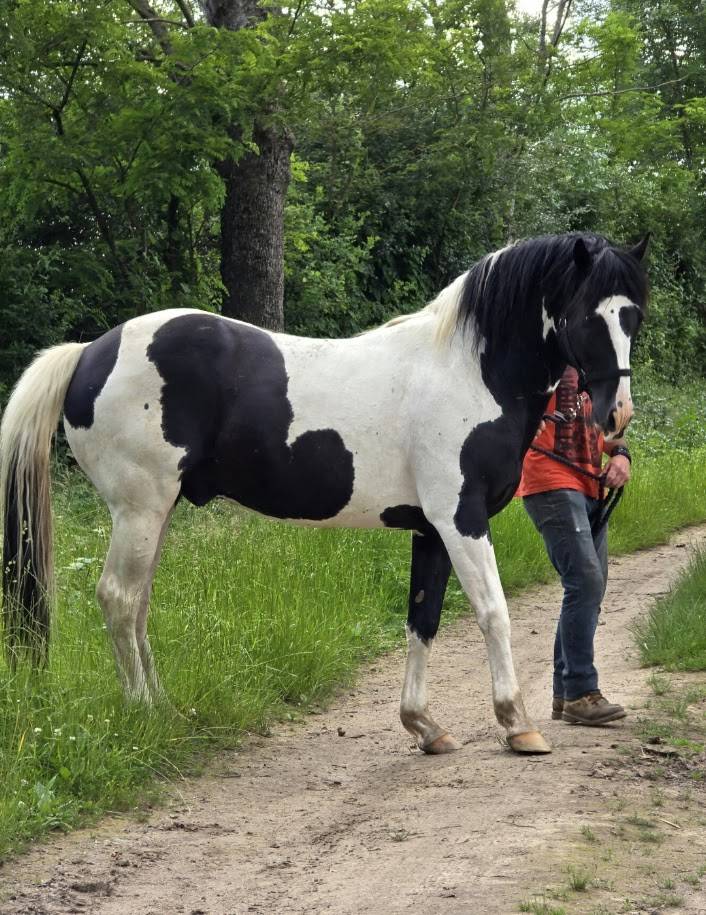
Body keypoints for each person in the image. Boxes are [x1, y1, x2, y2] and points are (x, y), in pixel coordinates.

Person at [517, 365, 632, 726]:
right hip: (550, 481)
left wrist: (621, 455)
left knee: (589, 589)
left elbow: (611, 434)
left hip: (590, 487)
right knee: (585, 582)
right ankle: (581, 693)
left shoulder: (599, 369)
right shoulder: (548, 358)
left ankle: (564, 693)